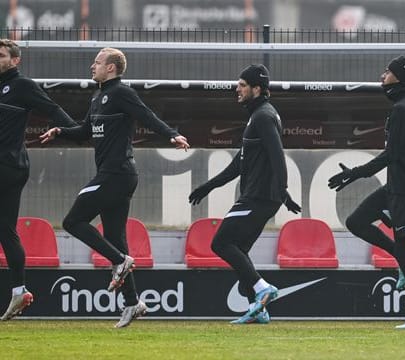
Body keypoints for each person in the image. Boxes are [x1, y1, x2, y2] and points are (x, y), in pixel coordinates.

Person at [40, 47, 190, 328]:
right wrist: (60, 131)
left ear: (111, 68)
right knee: (115, 238)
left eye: (97, 62)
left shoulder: (122, 93)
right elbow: (85, 131)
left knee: (72, 221)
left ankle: (120, 261)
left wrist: (171, 134)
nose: (91, 66)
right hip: (112, 175)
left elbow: (146, 116)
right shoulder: (97, 97)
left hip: (117, 175)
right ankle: (133, 303)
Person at [328, 55, 405, 329]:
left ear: (399, 77)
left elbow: (392, 154)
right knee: (356, 222)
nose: (382, 76)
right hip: (398, 187)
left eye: (387, 72)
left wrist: (356, 173)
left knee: (403, 248)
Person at [189, 64, 300, 324]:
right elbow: (240, 163)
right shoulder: (257, 116)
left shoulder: (263, 116)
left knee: (221, 243)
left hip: (258, 196)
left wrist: (283, 190)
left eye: (241, 85)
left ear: (256, 89)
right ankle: (258, 309)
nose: (236, 89)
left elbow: (277, 155)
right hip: (263, 196)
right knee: (239, 249)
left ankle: (263, 290)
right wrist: (209, 186)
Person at [0, 39, 78, 320]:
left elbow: (53, 109)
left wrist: (77, 130)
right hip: (12, 167)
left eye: (1, 56)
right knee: (6, 230)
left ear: (15, 60)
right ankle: (19, 290)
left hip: (8, 165)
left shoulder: (22, 85)